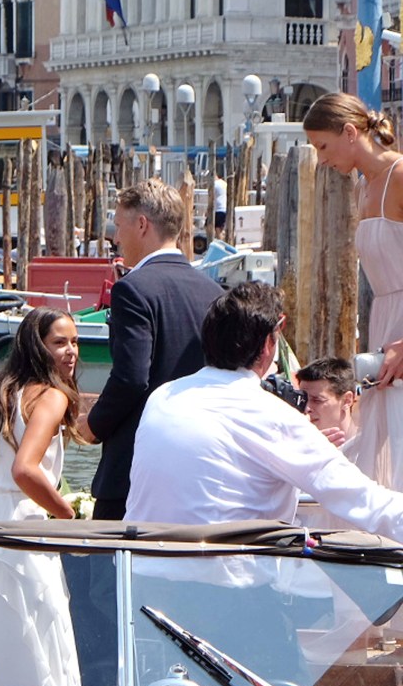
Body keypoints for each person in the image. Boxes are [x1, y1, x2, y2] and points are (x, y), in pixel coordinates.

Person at [125, 281, 403, 543]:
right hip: (225, 581)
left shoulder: (162, 397)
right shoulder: (272, 416)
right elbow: (361, 499)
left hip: (143, 574)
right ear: (270, 344)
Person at [77, 177, 222, 520]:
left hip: (136, 465)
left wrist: (93, 425)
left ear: (142, 224)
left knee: (111, 570)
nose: (115, 237)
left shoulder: (133, 290)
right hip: (196, 464)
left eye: (118, 225)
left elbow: (131, 377)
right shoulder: (213, 292)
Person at [0, 306, 82, 686]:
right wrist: (66, 514)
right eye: (60, 343)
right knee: (37, 639)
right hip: (20, 525)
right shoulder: (53, 397)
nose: (72, 351)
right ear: (36, 347)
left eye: (75, 342)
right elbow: (25, 470)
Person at [304, 92, 403, 489]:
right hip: (384, 328)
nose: (322, 159)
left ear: (349, 132)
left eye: (323, 146)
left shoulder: (398, 177)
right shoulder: (365, 187)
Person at [295, 356, 358, 452]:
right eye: (303, 399)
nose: (307, 408)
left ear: (347, 400)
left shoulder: (369, 448)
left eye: (317, 400)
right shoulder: (297, 446)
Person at [214, 174, 227, 239]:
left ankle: (220, 242)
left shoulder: (214, 184)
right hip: (225, 208)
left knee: (217, 229)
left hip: (218, 209)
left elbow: (211, 197)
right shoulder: (224, 183)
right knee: (220, 229)